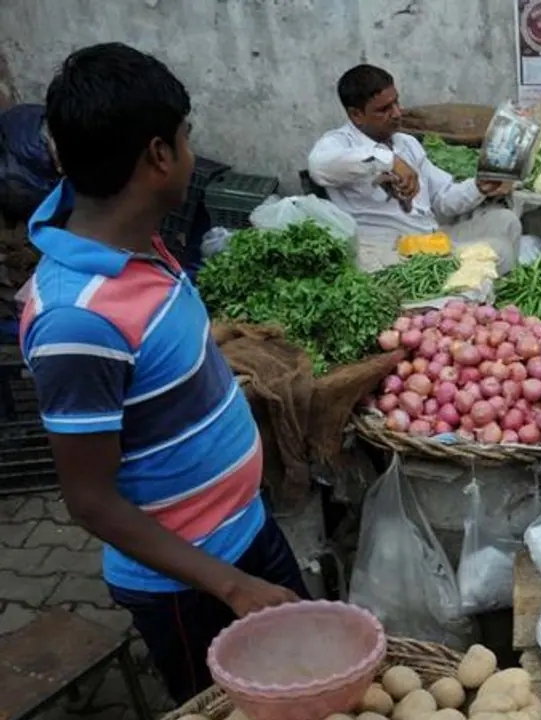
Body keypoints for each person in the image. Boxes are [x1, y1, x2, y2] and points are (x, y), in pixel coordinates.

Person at [21, 43, 306, 703]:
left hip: (245, 530)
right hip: (191, 584)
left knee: (306, 683)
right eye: (186, 137)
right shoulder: (76, 321)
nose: (190, 152)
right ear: (158, 155)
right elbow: (89, 501)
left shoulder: (140, 241)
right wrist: (230, 586)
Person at [308, 65, 521, 273]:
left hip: (430, 237)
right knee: (499, 251)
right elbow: (318, 167)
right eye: (384, 109)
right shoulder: (339, 143)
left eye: (396, 102)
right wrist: (389, 161)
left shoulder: (406, 143)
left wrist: (479, 187)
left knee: (506, 221)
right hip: (389, 251)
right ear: (356, 115)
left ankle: (485, 291)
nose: (396, 113)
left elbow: (443, 199)